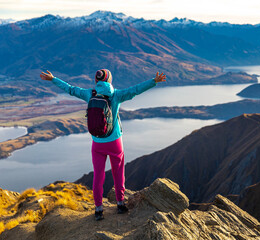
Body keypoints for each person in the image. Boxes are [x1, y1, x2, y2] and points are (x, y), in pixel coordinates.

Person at [40, 69, 166, 221]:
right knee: (118, 173)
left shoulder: (89, 94)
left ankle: (99, 209)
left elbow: (71, 89)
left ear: (96, 81)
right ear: (109, 81)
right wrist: (154, 81)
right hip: (115, 142)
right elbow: (136, 90)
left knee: (98, 176)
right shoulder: (116, 95)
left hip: (97, 143)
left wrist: (53, 79)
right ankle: (120, 204)